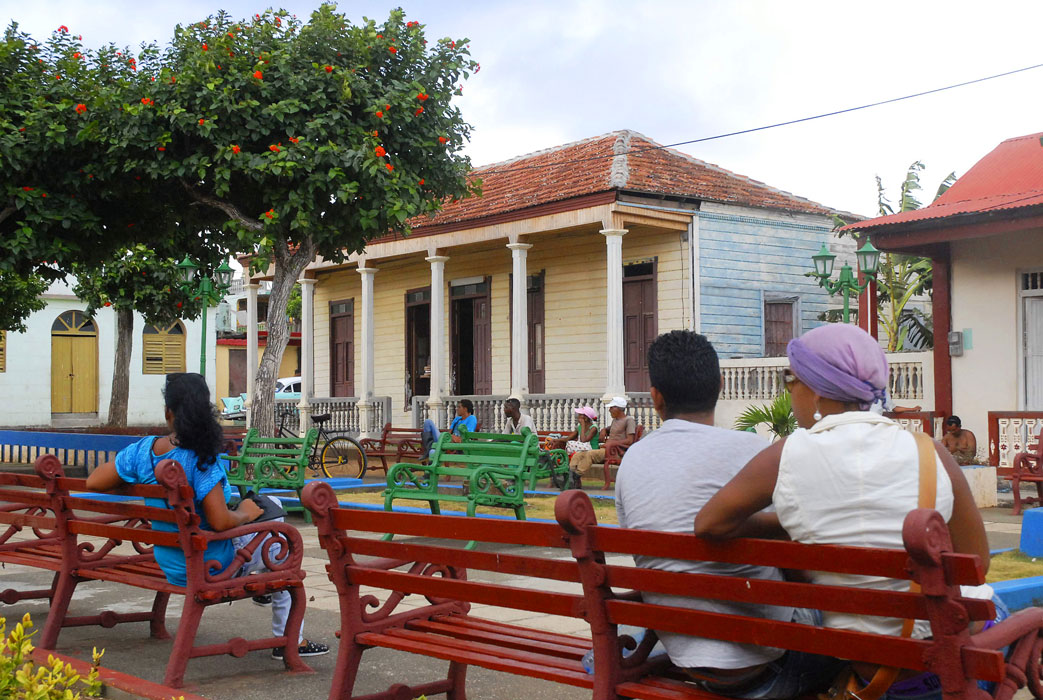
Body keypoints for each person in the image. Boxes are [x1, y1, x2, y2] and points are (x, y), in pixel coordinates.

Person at [694, 324, 994, 699]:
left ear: (817, 387)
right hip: (938, 662)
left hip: (861, 664)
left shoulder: (785, 455)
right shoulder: (930, 451)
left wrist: (789, 526)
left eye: (791, 380)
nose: (789, 391)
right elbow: (977, 562)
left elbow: (708, 524)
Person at [615, 330, 839, 698]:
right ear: (720, 385)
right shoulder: (755, 452)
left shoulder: (632, 461)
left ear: (655, 398)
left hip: (684, 653)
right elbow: (798, 552)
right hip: (772, 658)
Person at [85, 373, 329, 660]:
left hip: (171, 563)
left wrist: (142, 481)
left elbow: (94, 481)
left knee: (271, 508)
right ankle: (290, 642)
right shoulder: (200, 459)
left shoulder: (143, 451)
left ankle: (266, 581)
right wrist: (244, 513)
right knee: (282, 545)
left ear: (168, 413)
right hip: (211, 566)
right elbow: (221, 522)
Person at [568, 396, 635, 488]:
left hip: (615, 451)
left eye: (612, 408)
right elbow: (608, 429)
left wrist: (612, 444)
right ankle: (570, 475)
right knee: (578, 455)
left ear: (618, 408)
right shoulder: (615, 420)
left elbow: (630, 440)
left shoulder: (629, 420)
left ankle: (577, 475)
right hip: (606, 449)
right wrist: (603, 430)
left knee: (590, 454)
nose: (610, 410)